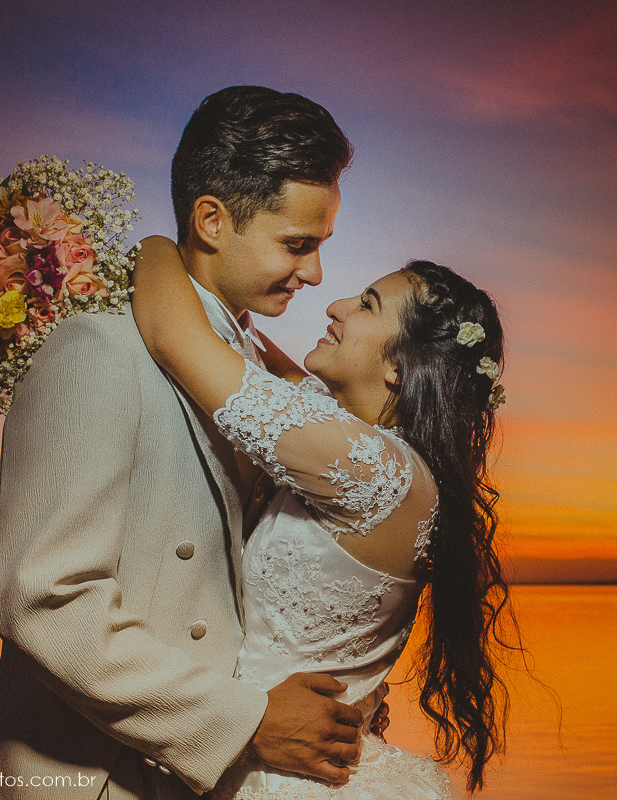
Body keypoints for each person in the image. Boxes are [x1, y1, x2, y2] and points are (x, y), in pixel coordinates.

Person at [0, 86, 382, 800]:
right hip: (104, 779)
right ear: (211, 220)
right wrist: (244, 720)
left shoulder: (257, 376)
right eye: (297, 244)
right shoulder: (98, 349)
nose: (317, 273)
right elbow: (45, 600)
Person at [130, 235, 516, 798]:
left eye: (367, 305)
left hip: (282, 770)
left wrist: (161, 243)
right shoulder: (364, 451)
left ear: (399, 369)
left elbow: (175, 336)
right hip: (274, 748)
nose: (336, 306)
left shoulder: (374, 470)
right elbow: (248, 354)